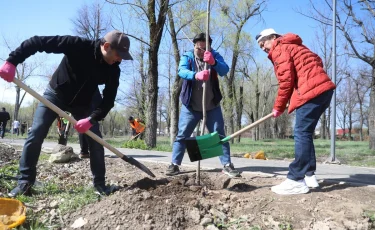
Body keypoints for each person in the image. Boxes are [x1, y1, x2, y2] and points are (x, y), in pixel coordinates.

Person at [0, 30, 133, 196]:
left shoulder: (113, 70)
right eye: (118, 54)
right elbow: (37, 41)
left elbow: (108, 101)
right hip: (55, 94)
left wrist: (92, 119)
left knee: (96, 140)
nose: (120, 59)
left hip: (84, 104)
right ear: (106, 46)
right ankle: (25, 182)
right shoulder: (78, 45)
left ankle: (100, 185)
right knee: (36, 132)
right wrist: (12, 61)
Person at [255, 28, 336, 195]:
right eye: (260, 47)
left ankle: (295, 179)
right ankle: (309, 176)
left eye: (263, 43)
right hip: (324, 90)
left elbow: (286, 81)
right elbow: (317, 61)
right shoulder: (296, 45)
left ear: (273, 38)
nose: (263, 48)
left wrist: (278, 106)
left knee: (300, 132)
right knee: (305, 133)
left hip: (311, 92)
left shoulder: (280, 48)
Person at [165, 33, 240, 178]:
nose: (201, 51)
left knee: (220, 136)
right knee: (182, 135)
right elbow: (181, 71)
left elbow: (224, 70)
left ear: (210, 47)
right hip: (191, 107)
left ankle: (227, 165)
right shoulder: (188, 56)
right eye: (199, 48)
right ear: (194, 46)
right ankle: (174, 164)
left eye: (205, 48)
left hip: (211, 105)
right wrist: (195, 75)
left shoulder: (214, 55)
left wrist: (213, 62)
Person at [79, 88, 102, 158]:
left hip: (83, 110)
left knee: (82, 128)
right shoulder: (94, 86)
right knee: (91, 129)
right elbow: (99, 101)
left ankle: (84, 152)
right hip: (90, 112)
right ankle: (94, 153)